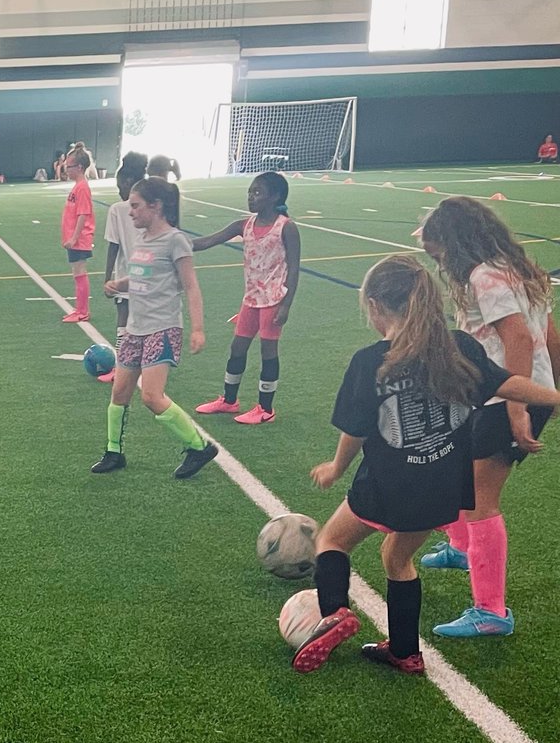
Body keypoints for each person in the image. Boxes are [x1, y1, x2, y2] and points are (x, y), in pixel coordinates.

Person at [294, 254, 560, 676]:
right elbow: (509, 383)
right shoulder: (459, 348)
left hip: (386, 482)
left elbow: (356, 430)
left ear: (376, 307)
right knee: (397, 559)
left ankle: (335, 613)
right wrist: (555, 396)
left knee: (331, 541)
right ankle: (405, 652)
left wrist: (336, 467)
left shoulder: (371, 361)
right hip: (443, 486)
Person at [418, 195, 560, 637]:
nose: (441, 263)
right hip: (508, 394)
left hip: (506, 399)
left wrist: (520, 408)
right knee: (458, 469)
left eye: (439, 252)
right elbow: (551, 335)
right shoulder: (520, 269)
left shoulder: (486, 276)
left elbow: (518, 339)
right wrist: (551, 392)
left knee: (482, 499)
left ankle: (492, 612)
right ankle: (462, 548)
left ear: (455, 242)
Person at [92, 176, 217, 480]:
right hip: (135, 328)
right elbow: (142, 277)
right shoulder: (143, 239)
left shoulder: (176, 240)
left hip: (162, 328)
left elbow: (191, 287)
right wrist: (119, 284)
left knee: (151, 396)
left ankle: (200, 447)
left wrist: (197, 329)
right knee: (119, 392)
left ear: (156, 206)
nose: (130, 211)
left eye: (135, 206)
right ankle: (113, 452)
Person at [191, 171, 301, 424]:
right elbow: (209, 240)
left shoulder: (286, 227)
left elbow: (294, 268)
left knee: (267, 350)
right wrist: (174, 243)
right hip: (251, 299)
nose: (251, 197)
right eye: (250, 192)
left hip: (273, 299)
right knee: (237, 347)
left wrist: (287, 305)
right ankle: (229, 401)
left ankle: (265, 409)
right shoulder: (244, 225)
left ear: (275, 196)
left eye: (258, 192)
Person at [101, 151, 148, 377]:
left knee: (123, 321)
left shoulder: (118, 209)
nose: (118, 189)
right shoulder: (153, 206)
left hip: (126, 276)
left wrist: (108, 278)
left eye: (119, 184)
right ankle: (149, 362)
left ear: (129, 182)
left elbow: (113, 245)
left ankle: (122, 367)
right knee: (148, 320)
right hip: (152, 275)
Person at [60, 148, 96, 323]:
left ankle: (82, 311)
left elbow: (83, 214)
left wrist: (74, 238)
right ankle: (80, 309)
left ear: (80, 167)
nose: (67, 170)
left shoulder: (82, 188)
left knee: (79, 272)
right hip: (73, 238)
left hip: (79, 239)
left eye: (70, 166)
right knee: (77, 273)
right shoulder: (78, 187)